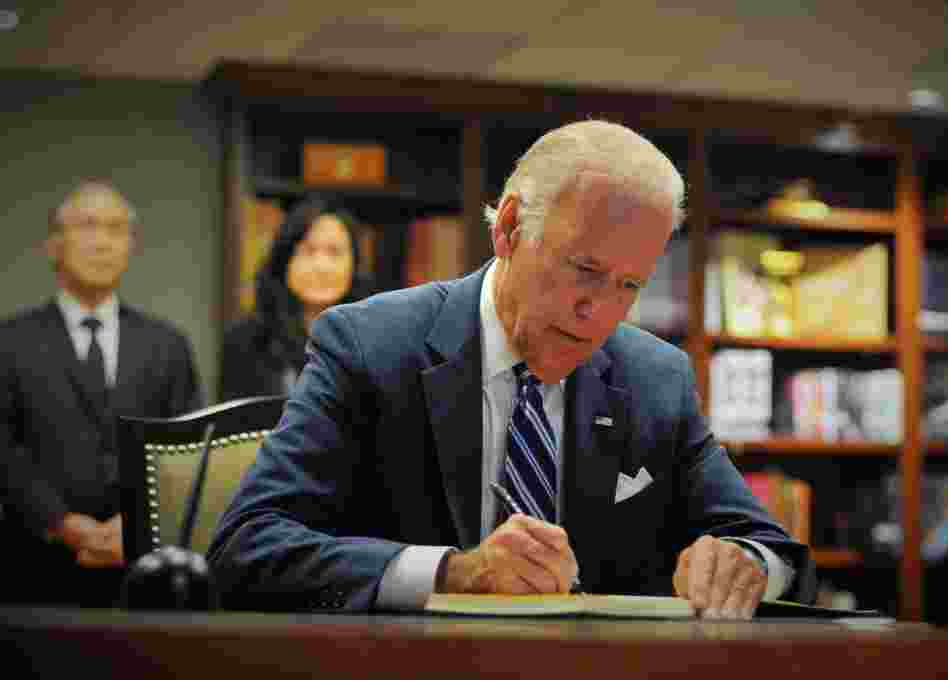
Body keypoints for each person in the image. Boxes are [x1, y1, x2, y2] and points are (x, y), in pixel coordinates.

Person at [207, 121, 815, 618]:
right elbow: (248, 547)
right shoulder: (370, 346)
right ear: (508, 228)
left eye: (628, 285)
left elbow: (777, 551)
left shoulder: (654, 377)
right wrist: (453, 572)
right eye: (583, 268)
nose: (596, 311)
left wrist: (744, 563)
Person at [0, 179, 202, 607]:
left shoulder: (167, 345)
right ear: (54, 244)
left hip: (144, 571)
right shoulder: (10, 343)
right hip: (32, 568)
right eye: (87, 226)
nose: (102, 242)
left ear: (131, 247)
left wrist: (135, 525)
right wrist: (61, 523)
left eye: (116, 229)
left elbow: (186, 450)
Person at [219, 198, 367, 401]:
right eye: (308, 251)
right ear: (285, 260)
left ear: (354, 264)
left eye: (334, 252)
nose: (321, 266)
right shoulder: (245, 342)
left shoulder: (375, 340)